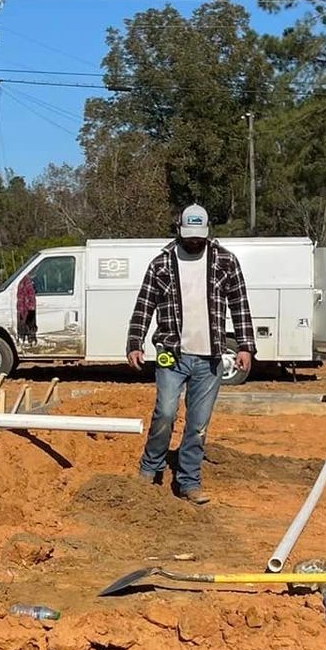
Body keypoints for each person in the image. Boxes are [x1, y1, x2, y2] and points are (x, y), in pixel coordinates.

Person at [125, 204, 255, 505]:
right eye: (189, 234)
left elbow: (240, 304)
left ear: (207, 232)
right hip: (172, 353)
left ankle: (189, 482)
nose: (194, 241)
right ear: (179, 229)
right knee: (166, 413)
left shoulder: (225, 262)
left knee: (198, 424)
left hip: (210, 358)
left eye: (199, 235)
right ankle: (150, 468)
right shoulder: (162, 264)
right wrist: (135, 342)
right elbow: (144, 305)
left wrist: (246, 345)